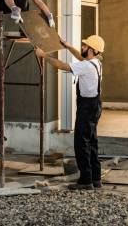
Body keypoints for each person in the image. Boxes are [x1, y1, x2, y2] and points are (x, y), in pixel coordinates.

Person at [34, 35, 105, 190]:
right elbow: (81, 57)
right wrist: (67, 46)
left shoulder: (86, 66)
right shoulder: (95, 63)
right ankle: (96, 178)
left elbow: (62, 66)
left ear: (92, 50)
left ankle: (86, 181)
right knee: (92, 141)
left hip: (87, 107)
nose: (83, 48)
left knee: (81, 143)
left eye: (85, 46)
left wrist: (44, 55)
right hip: (95, 105)